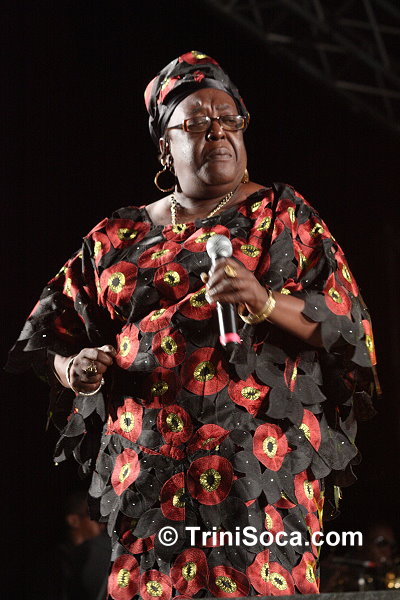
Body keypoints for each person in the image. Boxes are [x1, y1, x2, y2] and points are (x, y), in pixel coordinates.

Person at [6, 50, 378, 598]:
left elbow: (348, 324)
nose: (218, 132)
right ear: (166, 146)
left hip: (258, 474)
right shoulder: (115, 236)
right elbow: (45, 336)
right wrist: (73, 369)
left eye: (229, 119)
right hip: (148, 476)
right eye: (197, 123)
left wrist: (264, 300)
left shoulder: (280, 214)